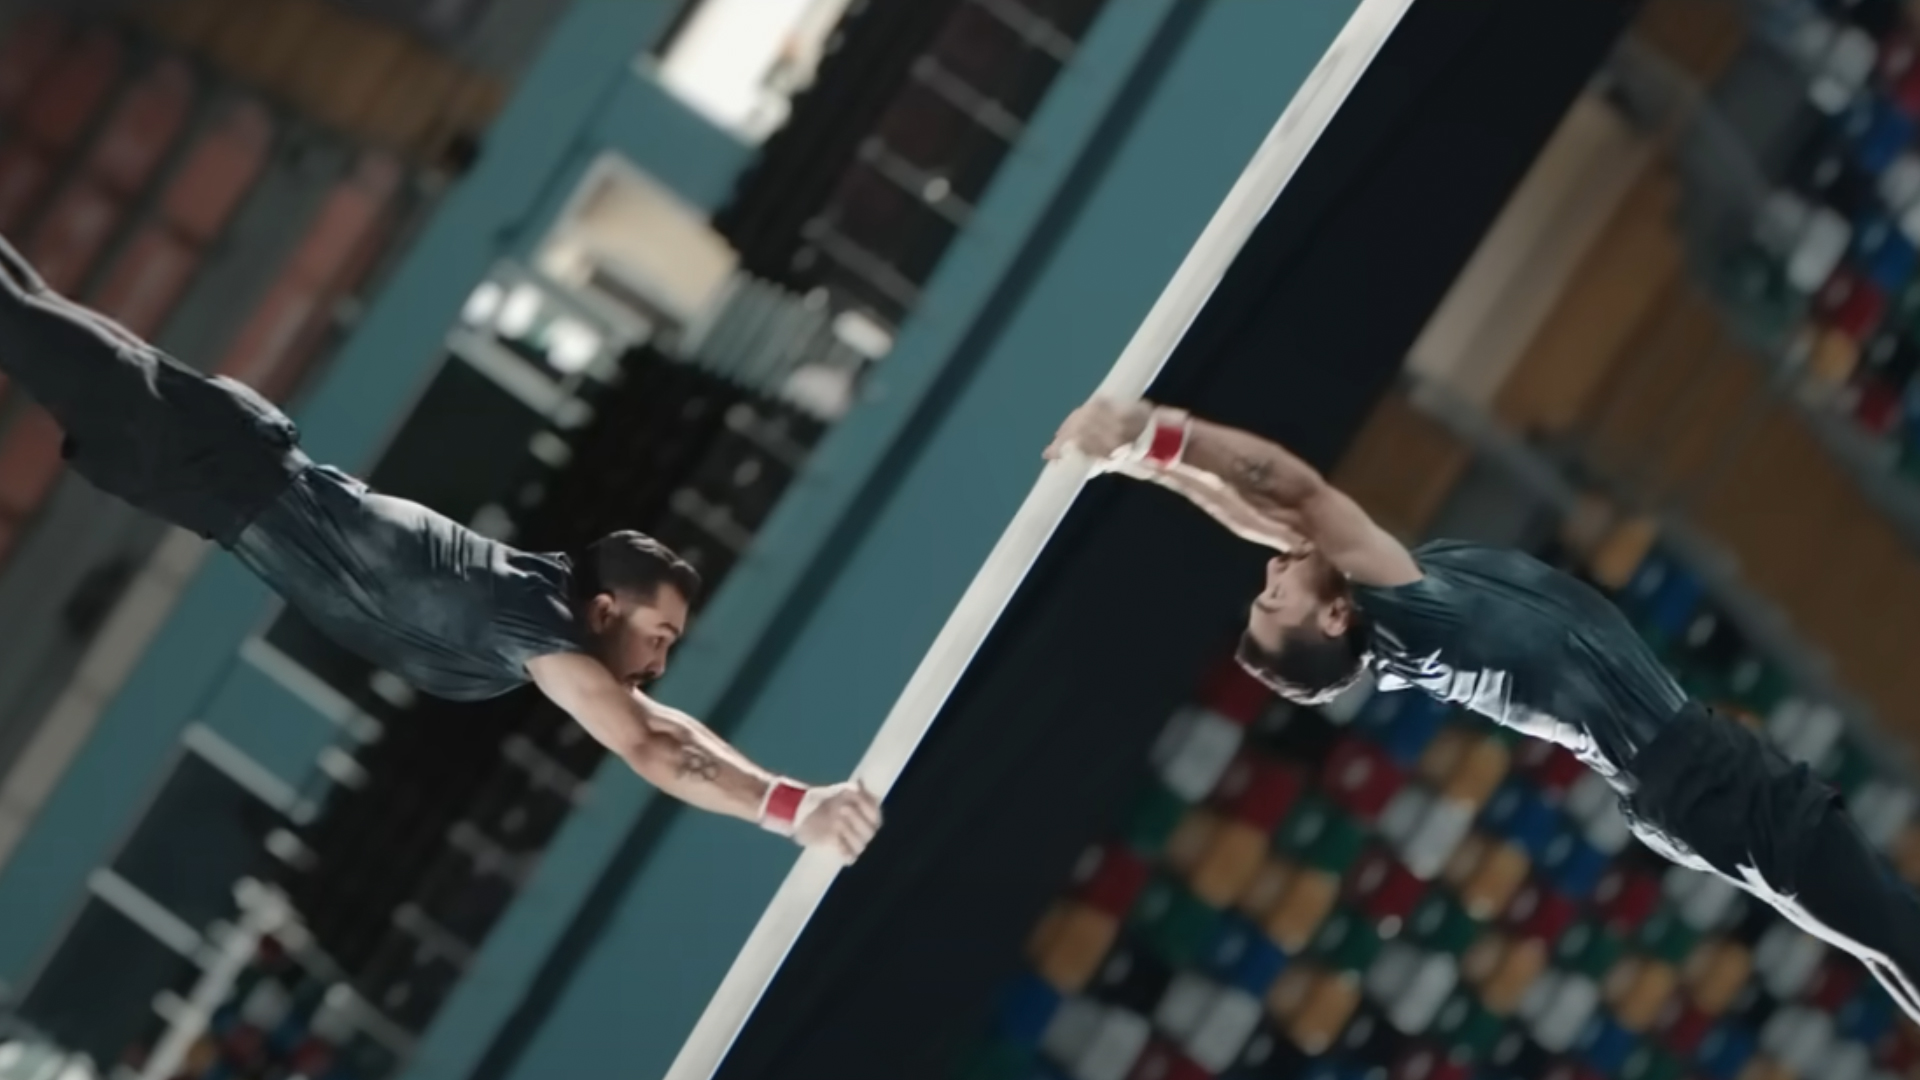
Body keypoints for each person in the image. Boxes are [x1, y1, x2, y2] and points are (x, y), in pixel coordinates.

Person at [0, 234, 880, 864]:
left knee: (22, 303)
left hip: (220, 458)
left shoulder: (546, 608)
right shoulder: (533, 632)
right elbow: (650, 746)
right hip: (208, 459)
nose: (660, 662)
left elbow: (662, 722)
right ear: (605, 610)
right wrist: (786, 813)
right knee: (15, 312)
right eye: (659, 636)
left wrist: (793, 795)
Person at [1048, 395, 1920, 1022]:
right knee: (1889, 930)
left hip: (1685, 777)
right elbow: (1296, 491)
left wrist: (1148, 462)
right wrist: (1150, 427)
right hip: (1697, 779)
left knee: (1881, 931)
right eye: (1274, 599)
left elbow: (1264, 514)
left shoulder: (1380, 600)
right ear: (1336, 618)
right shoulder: (1413, 616)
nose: (1273, 572)